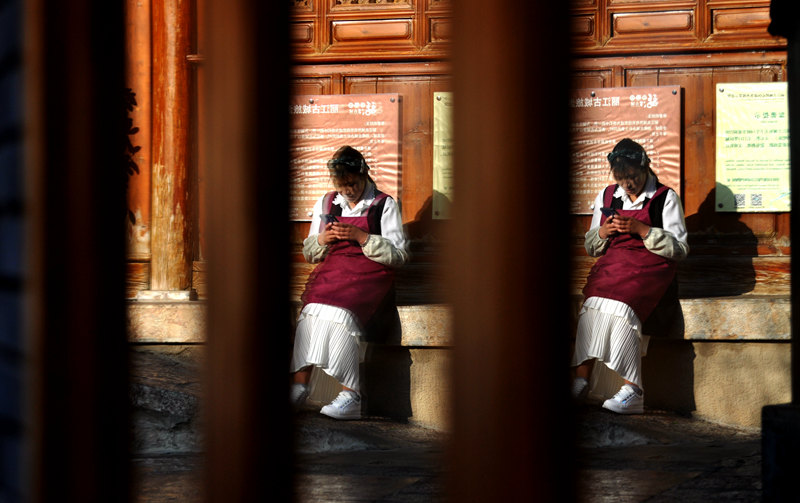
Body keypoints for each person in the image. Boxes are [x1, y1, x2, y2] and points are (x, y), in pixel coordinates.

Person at [290, 145, 409, 420]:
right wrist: (322, 239)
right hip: (334, 271)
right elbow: (310, 252)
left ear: (363, 174)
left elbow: (399, 255)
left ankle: (350, 394)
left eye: (353, 184)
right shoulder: (328, 202)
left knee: (341, 313)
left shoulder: (383, 204)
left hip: (370, 275)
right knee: (312, 310)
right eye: (342, 186)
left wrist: (361, 236)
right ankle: (299, 385)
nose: (348, 191)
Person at [571, 138, 688, 414]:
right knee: (592, 303)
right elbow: (591, 247)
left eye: (632, 177)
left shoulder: (664, 197)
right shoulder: (609, 195)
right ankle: (580, 380)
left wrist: (641, 229)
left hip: (650, 268)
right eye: (621, 179)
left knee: (622, 305)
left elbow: (680, 248)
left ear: (645, 167)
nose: (628, 185)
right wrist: (603, 232)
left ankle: (632, 390)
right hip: (614, 265)